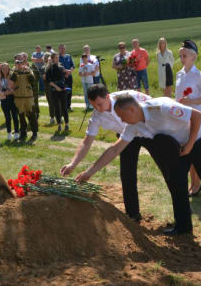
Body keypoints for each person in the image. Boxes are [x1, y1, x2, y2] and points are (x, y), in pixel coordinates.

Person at [75, 94, 201, 242]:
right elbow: (115, 150)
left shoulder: (162, 107)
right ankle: (183, 226)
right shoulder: (133, 126)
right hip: (179, 145)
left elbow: (197, 116)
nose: (121, 121)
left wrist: (190, 144)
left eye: (122, 116)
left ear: (132, 110)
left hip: (199, 138)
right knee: (176, 183)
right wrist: (90, 172)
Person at [60, 84, 152, 222]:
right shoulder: (96, 115)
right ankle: (133, 214)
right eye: (94, 105)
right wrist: (73, 163)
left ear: (108, 96)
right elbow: (87, 142)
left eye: (100, 104)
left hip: (148, 130)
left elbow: (154, 106)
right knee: (127, 175)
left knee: (167, 168)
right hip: (125, 137)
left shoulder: (128, 96)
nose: (98, 108)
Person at [175, 40, 201, 197]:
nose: (182, 58)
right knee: (186, 151)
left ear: (193, 57)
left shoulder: (199, 75)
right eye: (181, 55)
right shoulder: (179, 74)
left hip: (195, 118)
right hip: (182, 119)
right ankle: (194, 183)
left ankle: (196, 184)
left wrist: (191, 101)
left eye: (185, 55)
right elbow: (177, 97)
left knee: (193, 151)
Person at [10, 60, 38, 141]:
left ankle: (34, 132)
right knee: (21, 116)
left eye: (21, 63)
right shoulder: (13, 72)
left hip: (29, 96)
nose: (19, 64)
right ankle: (23, 132)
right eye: (17, 63)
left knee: (32, 115)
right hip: (18, 97)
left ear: (24, 64)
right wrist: (16, 72)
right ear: (15, 64)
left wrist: (28, 71)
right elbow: (11, 83)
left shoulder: (29, 70)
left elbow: (33, 81)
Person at [46, 52, 69, 131]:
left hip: (62, 89)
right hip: (54, 90)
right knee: (57, 108)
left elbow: (64, 77)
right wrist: (56, 87)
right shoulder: (49, 69)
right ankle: (59, 124)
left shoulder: (62, 67)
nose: (57, 59)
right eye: (56, 57)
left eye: (58, 57)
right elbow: (49, 81)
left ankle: (66, 124)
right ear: (52, 59)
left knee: (64, 107)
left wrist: (66, 75)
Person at [0, 63, 19, 140]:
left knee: (15, 116)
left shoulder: (12, 77)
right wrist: (1, 93)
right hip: (4, 100)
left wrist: (4, 93)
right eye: (3, 69)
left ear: (9, 69)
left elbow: (14, 90)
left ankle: (16, 132)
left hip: (12, 99)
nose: (5, 70)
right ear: (1, 70)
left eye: (6, 68)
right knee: (7, 117)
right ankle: (9, 133)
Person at [22, 52, 40, 119]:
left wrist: (34, 83)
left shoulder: (33, 66)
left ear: (27, 57)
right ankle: (29, 115)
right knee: (27, 103)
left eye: (25, 56)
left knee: (35, 102)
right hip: (25, 89)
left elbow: (38, 76)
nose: (24, 58)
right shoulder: (20, 68)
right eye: (22, 57)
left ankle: (37, 114)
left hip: (34, 88)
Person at [58, 44, 75, 112]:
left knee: (69, 91)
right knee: (63, 92)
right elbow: (58, 67)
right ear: (59, 49)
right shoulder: (57, 57)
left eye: (64, 48)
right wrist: (65, 73)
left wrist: (69, 72)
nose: (63, 49)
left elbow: (72, 65)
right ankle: (63, 106)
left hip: (69, 76)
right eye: (61, 48)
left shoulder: (68, 56)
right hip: (62, 77)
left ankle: (68, 106)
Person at [42, 52, 55, 124]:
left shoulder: (54, 66)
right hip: (47, 88)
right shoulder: (43, 68)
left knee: (57, 102)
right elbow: (44, 77)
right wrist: (48, 66)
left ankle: (59, 116)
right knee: (50, 103)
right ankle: (52, 117)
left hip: (54, 87)